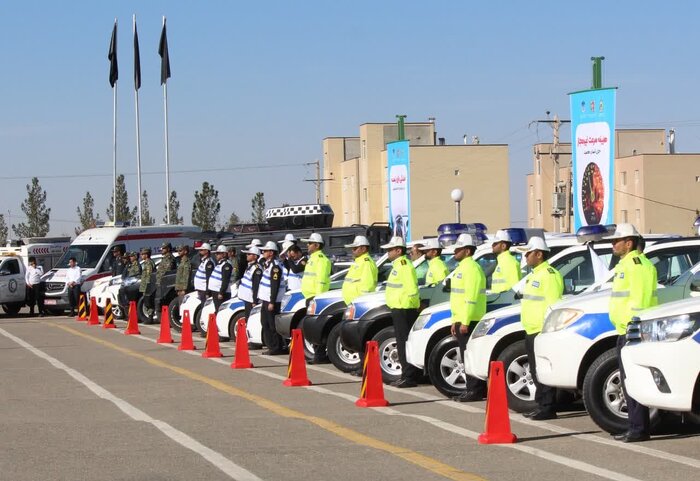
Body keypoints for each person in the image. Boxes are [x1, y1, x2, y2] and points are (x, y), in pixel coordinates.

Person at [607, 224, 657, 443]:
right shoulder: (626, 264)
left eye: (616, 241)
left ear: (629, 243)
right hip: (624, 330)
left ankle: (639, 429)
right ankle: (635, 426)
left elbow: (641, 300)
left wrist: (632, 327)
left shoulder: (636, 265)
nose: (613, 244)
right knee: (628, 381)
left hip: (632, 331)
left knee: (633, 380)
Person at [519, 236, 564, 420]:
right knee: (535, 370)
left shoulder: (549, 274)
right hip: (531, 329)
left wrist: (547, 329)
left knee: (542, 369)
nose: (526, 257)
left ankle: (548, 407)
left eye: (529, 253)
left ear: (539, 254)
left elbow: (553, 304)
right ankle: (541, 404)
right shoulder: (534, 275)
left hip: (541, 330)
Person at [450, 233, 488, 402]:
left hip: (470, 319)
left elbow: (471, 298)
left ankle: (475, 390)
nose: (454, 252)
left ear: (466, 250)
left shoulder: (472, 269)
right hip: (462, 319)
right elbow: (457, 298)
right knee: (465, 356)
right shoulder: (462, 268)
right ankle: (470, 388)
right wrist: (455, 320)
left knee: (470, 355)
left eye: (457, 249)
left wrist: (464, 321)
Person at [382, 236, 421, 388]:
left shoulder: (404, 265)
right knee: (401, 342)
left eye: (390, 250)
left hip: (404, 308)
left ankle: (409, 376)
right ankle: (407, 375)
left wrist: (412, 306)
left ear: (398, 251)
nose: (388, 252)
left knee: (404, 343)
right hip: (399, 307)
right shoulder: (398, 265)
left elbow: (412, 289)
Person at [341, 235, 379, 375]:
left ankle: (365, 367)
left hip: (360, 306)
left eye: (355, 248)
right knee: (357, 339)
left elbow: (367, 287)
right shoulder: (359, 261)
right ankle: (362, 366)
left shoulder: (367, 263)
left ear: (363, 248)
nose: (353, 250)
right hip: (353, 306)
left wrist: (360, 304)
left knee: (362, 338)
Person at [300, 233, 332, 363]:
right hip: (310, 297)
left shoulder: (321, 260)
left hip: (315, 298)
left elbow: (321, 280)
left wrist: (318, 299)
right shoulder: (312, 258)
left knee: (317, 327)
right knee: (312, 327)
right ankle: (317, 354)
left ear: (317, 245)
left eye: (310, 243)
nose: (307, 245)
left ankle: (320, 355)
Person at [258, 241, 286, 355]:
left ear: (271, 252)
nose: (263, 253)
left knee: (272, 324)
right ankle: (271, 346)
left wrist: (272, 301)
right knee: (265, 322)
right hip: (265, 299)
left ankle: (276, 347)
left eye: (265, 251)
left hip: (271, 300)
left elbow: (275, 285)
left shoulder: (275, 267)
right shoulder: (268, 264)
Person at [149, 242, 176, 324]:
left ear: (168, 249)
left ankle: (165, 320)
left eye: (164, 248)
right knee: (158, 302)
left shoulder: (170, 258)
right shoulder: (164, 258)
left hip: (165, 283)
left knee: (162, 302)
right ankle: (162, 319)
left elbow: (167, 271)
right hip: (160, 283)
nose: (162, 250)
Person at [238, 246, 263, 319]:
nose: (247, 255)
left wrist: (255, 301)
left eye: (249, 254)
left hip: (251, 299)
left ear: (255, 256)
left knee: (250, 319)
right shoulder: (250, 266)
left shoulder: (257, 269)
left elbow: (256, 285)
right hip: (247, 298)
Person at [208, 245, 234, 312]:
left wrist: (221, 292)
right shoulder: (220, 263)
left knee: (220, 311)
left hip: (221, 292)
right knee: (217, 309)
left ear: (224, 254)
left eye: (218, 253)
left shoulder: (226, 265)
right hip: (215, 290)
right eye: (216, 253)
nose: (216, 255)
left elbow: (225, 279)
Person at [138, 248, 156, 322]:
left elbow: (149, 275)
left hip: (148, 285)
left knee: (149, 301)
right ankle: (149, 316)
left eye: (142, 254)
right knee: (146, 301)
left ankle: (150, 317)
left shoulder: (149, 263)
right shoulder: (146, 263)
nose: (141, 256)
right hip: (145, 285)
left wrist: (148, 286)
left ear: (146, 255)